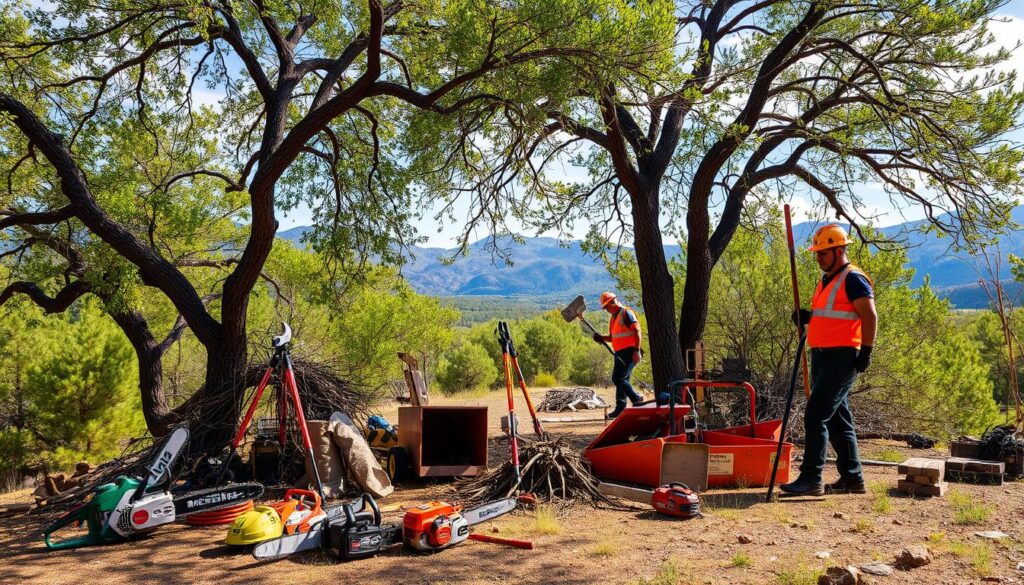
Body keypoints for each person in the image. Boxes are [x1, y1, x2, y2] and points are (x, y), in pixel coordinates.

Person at [780, 224, 877, 496]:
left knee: (815, 416)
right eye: (817, 254)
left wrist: (866, 351)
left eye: (823, 253)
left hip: (842, 357)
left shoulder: (853, 278)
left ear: (838, 250)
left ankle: (811, 479)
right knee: (836, 419)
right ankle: (852, 478)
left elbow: (869, 317)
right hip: (822, 355)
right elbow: (832, 314)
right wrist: (807, 317)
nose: (818, 258)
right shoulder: (828, 280)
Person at [593, 291, 643, 419]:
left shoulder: (626, 313)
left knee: (618, 378)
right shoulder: (613, 318)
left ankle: (636, 398)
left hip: (630, 351)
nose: (606, 310)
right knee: (622, 380)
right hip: (620, 352)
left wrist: (637, 351)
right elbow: (613, 337)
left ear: (613, 302)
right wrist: (601, 338)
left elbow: (637, 331)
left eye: (606, 307)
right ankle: (620, 409)